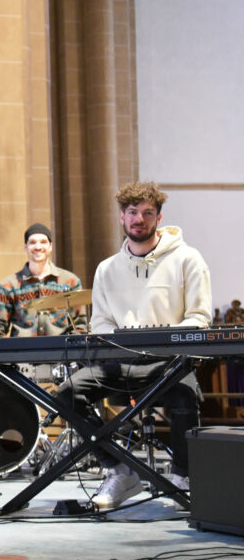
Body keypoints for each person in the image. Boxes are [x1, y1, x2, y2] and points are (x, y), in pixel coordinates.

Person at [54, 181, 211, 508]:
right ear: (122, 218)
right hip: (120, 363)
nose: (139, 219)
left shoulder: (188, 259)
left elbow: (199, 317)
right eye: (132, 212)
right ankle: (119, 470)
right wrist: (125, 343)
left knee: (184, 393)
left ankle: (183, 476)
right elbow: (100, 323)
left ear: (159, 217)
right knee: (68, 393)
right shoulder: (107, 269)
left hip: (168, 363)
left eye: (147, 213)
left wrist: (162, 341)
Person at [0, 223, 87, 337]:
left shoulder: (70, 281)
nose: (38, 247)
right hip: (22, 351)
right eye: (32, 242)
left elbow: (80, 328)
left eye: (43, 242)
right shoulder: (9, 285)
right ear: (25, 247)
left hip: (60, 351)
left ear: (51, 246)